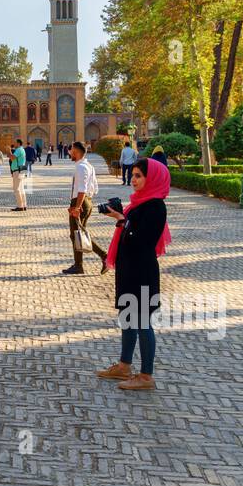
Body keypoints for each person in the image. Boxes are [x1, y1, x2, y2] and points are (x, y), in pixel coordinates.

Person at [96, 158, 171, 392]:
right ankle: (124, 365)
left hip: (142, 271)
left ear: (153, 178)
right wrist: (122, 219)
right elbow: (129, 234)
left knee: (141, 323)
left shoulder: (155, 206)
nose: (134, 180)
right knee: (127, 319)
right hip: (129, 268)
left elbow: (141, 241)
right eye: (134, 175)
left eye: (139, 176)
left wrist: (121, 220)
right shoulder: (139, 203)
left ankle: (146, 375)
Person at [62, 141, 107, 275]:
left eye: (71, 150)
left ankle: (101, 257)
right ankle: (80, 264)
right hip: (86, 201)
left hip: (79, 203)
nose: (69, 152)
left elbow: (82, 189)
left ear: (76, 151)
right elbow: (94, 188)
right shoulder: (88, 166)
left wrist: (77, 207)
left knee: (76, 235)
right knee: (78, 235)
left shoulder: (81, 167)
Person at [9, 140, 28, 211]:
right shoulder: (22, 149)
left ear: (18, 143)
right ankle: (24, 205)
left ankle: (20, 206)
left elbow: (12, 158)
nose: (14, 144)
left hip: (17, 170)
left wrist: (8, 151)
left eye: (15, 143)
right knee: (21, 188)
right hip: (22, 169)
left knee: (16, 188)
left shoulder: (19, 150)